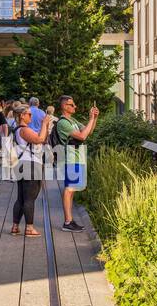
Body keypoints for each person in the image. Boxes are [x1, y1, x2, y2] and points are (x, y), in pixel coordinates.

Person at [54, 96, 99, 232]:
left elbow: (88, 131)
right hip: (70, 159)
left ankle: (70, 220)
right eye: (72, 105)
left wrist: (94, 118)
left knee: (72, 189)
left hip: (77, 158)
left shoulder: (72, 120)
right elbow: (82, 136)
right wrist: (91, 119)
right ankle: (68, 222)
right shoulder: (63, 123)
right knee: (69, 189)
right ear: (65, 107)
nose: (75, 107)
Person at [9, 102, 52, 236]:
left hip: (22, 164)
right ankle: (29, 228)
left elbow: (40, 139)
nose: (31, 116)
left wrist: (45, 127)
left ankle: (15, 226)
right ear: (22, 115)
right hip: (31, 165)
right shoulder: (24, 129)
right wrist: (44, 124)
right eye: (29, 114)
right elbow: (39, 139)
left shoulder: (18, 128)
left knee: (21, 198)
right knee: (29, 199)